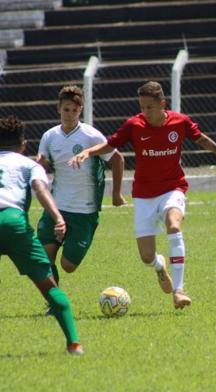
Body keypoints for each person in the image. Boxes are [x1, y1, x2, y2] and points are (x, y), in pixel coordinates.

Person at [69, 81, 216, 309]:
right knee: (147, 257)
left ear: (162, 104)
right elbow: (111, 145)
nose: (145, 112)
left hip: (172, 188)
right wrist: (89, 151)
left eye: (150, 107)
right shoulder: (134, 125)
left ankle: (178, 291)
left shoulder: (180, 122)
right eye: (142, 107)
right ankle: (160, 266)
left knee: (174, 225)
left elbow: (201, 139)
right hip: (144, 195)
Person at [0, 115, 83, 355]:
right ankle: (74, 343)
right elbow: (40, 188)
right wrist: (57, 217)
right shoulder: (29, 165)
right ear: (23, 144)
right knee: (49, 286)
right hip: (14, 223)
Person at [36, 85, 126, 301]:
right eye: (66, 109)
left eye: (74, 111)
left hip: (84, 211)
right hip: (56, 207)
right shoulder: (49, 136)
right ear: (59, 108)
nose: (70, 115)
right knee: (44, 258)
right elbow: (43, 165)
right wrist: (39, 165)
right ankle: (55, 303)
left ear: (81, 111)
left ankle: (81, 239)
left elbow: (117, 159)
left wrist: (116, 194)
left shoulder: (90, 136)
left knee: (68, 266)